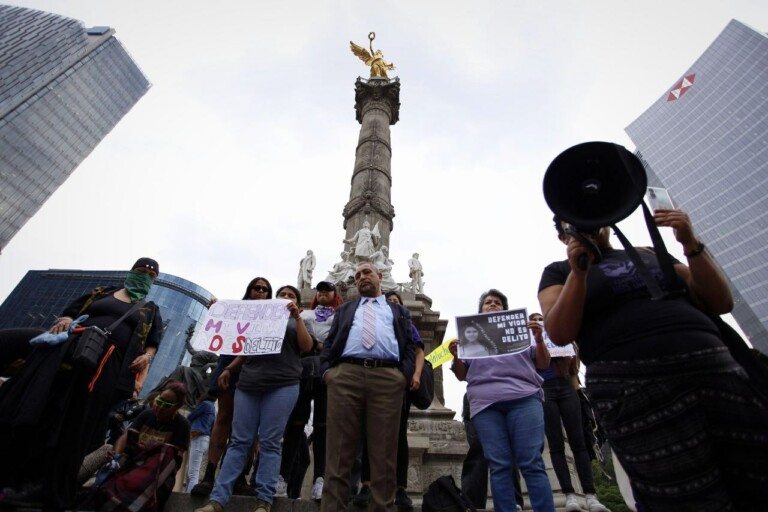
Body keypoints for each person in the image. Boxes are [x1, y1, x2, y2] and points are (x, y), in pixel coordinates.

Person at [538, 211, 768, 511]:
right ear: (563, 236)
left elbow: (720, 302)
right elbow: (558, 331)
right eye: (575, 224)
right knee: (679, 495)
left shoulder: (648, 252)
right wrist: (578, 273)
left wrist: (690, 244)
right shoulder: (559, 273)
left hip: (716, 372)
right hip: (635, 389)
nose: (587, 226)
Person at [0, 257, 163, 511]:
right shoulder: (101, 293)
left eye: (150, 276)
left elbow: (153, 342)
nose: (145, 276)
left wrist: (146, 357)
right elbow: (70, 311)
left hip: (108, 368)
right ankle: (21, 480)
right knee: (44, 412)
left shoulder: (149, 309)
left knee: (79, 427)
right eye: (141, 271)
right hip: (70, 355)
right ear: (131, 272)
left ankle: (52, 492)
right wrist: (65, 320)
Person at [195, 285, 313, 512]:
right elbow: (245, 349)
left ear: (297, 303)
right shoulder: (260, 320)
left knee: (269, 442)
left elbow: (306, 346)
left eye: (291, 296)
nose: (285, 298)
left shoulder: (297, 322)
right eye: (282, 295)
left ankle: (264, 500)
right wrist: (229, 369)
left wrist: (297, 317)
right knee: (239, 441)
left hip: (283, 385)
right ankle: (218, 499)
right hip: (249, 384)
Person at [319, 262, 416, 512]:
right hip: (346, 377)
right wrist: (329, 372)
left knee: (384, 456)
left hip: (387, 379)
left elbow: (409, 345)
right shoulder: (346, 309)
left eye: (367, 273)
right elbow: (330, 342)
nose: (362, 277)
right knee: (338, 453)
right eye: (357, 275)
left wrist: (402, 377)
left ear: (379, 276)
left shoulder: (398, 311)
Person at [449, 289, 554, 512]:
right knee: (499, 465)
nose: (493, 305)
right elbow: (461, 375)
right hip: (485, 406)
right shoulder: (470, 337)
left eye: (497, 302)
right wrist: (456, 356)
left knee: (531, 462)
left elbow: (543, 364)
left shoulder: (522, 333)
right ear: (481, 311)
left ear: (505, 310)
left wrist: (539, 340)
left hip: (524, 398)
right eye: (488, 303)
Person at [191, 278, 272, 497]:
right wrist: (216, 311)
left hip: (256, 373)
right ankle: (208, 475)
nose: (261, 292)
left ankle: (239, 476)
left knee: (249, 428)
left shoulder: (271, 317)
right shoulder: (234, 311)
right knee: (224, 418)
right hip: (229, 368)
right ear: (249, 290)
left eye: (265, 290)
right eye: (257, 288)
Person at [529, 312, 609, 512]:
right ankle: (569, 494)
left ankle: (591, 494)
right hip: (544, 388)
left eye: (541, 319)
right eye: (534, 319)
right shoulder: (530, 345)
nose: (539, 322)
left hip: (566, 387)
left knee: (578, 442)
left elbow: (575, 368)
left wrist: (570, 344)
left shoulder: (564, 341)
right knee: (555, 444)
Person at [353, 290, 425, 510]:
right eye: (389, 301)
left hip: (399, 385)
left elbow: (419, 351)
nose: (393, 304)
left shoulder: (406, 323)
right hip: (373, 382)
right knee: (367, 433)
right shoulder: (375, 320)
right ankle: (366, 485)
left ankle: (400, 488)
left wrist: (415, 375)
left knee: (399, 436)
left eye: (396, 301)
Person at [277, 280, 344, 501]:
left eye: (328, 290)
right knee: (295, 425)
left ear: (335, 295)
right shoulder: (304, 315)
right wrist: (319, 345)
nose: (323, 293)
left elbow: (339, 345)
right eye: (320, 290)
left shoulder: (341, 317)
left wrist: (316, 344)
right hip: (302, 372)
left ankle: (321, 479)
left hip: (328, 375)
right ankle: (282, 477)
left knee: (324, 426)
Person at [106, 381, 191, 511]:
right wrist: (116, 454)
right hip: (133, 460)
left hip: (157, 472)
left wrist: (148, 451)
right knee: (107, 453)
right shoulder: (147, 414)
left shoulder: (182, 425)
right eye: (160, 401)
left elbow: (174, 456)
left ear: (178, 406)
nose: (160, 407)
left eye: (167, 405)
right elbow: (126, 436)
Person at [186, 393, 217, 492]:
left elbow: (190, 416)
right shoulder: (213, 407)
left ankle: (189, 497)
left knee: (193, 473)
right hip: (206, 439)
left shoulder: (205, 404)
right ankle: (188, 492)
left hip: (198, 438)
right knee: (192, 471)